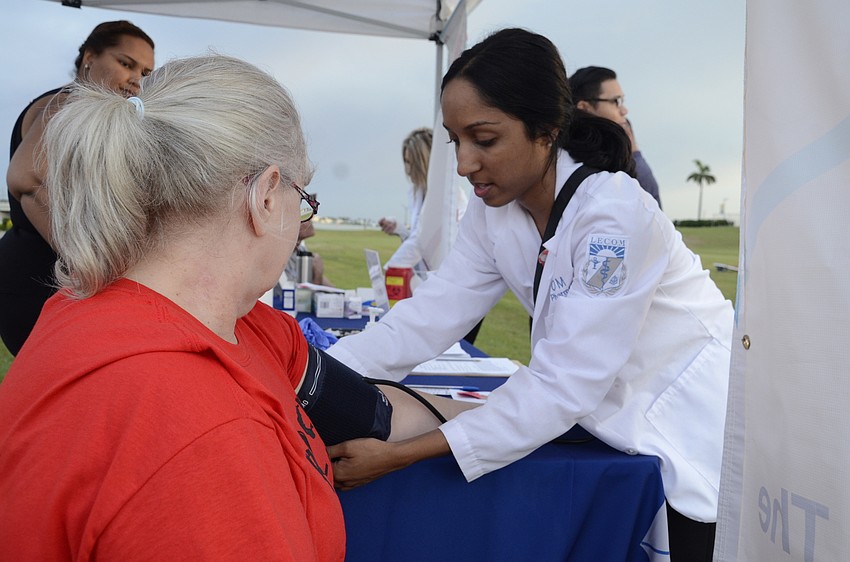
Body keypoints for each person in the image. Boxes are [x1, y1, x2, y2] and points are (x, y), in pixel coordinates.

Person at [0, 54, 470, 560]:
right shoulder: (202, 439)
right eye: (302, 195)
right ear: (267, 195)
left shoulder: (227, 325)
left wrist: (517, 419)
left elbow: (374, 411)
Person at [327, 28, 733, 561]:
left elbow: (563, 384)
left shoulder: (614, 217)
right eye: (455, 140)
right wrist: (317, 378)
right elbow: (425, 318)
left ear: (546, 129)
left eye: (485, 139)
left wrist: (401, 455)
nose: (465, 163)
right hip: (606, 422)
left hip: (685, 428)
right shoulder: (494, 213)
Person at [0, 20, 155, 356]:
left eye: (145, 73)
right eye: (126, 64)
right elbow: (24, 177)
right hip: (39, 282)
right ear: (89, 58)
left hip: (49, 281)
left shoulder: (86, 114)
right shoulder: (69, 104)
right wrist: (91, 261)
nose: (135, 80)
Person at [379, 127, 482, 343]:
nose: (406, 170)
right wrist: (399, 229)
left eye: (409, 162)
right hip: (431, 283)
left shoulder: (446, 196)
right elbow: (423, 238)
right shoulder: (417, 192)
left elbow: (420, 242)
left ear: (421, 161)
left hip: (458, 290)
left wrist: (391, 268)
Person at [569, 65, 663, 208]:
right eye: (615, 101)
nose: (624, 111)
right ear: (584, 106)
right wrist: (633, 152)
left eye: (622, 101)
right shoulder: (588, 169)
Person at [284, 217, 333, 286]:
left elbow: (332, 289)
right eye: (305, 217)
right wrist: (317, 275)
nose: (311, 218)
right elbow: (300, 293)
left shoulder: (301, 250)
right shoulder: (283, 256)